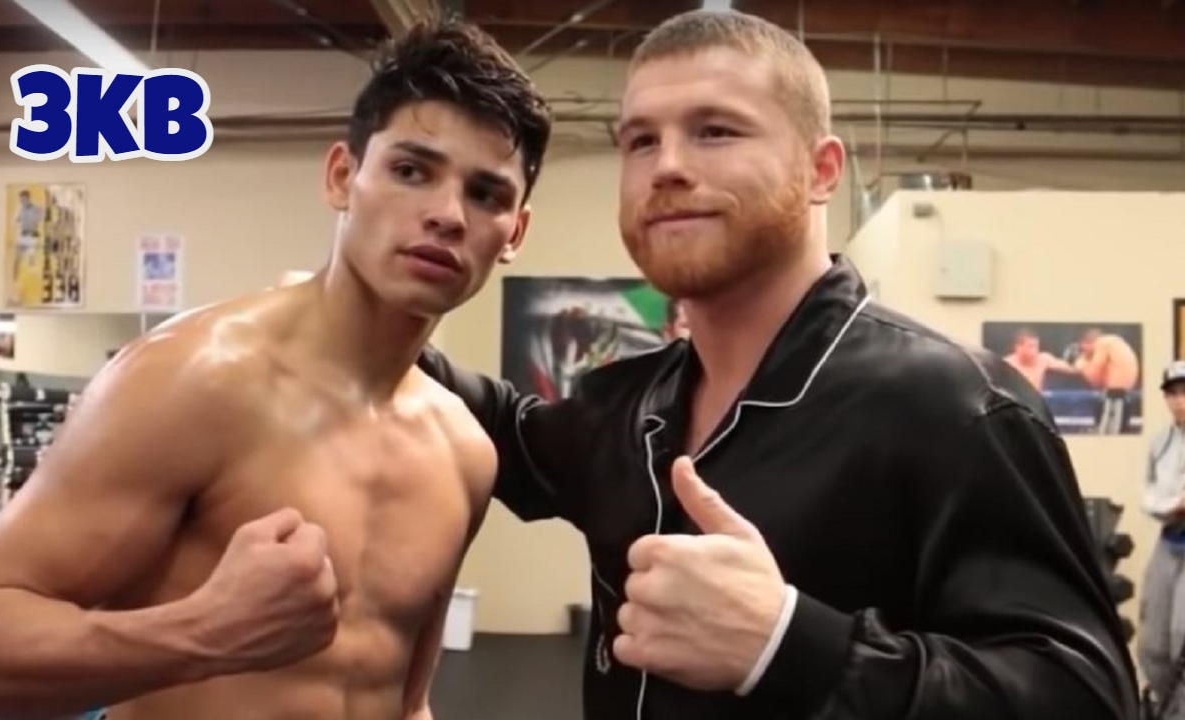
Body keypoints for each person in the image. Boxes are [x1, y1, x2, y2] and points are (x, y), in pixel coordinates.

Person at [419, 9, 1138, 720]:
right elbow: (501, 424)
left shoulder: (954, 405)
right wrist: (363, 299)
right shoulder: (628, 406)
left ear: (821, 170)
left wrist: (788, 645)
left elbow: (1087, 697)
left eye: (714, 131)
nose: (666, 167)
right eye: (640, 141)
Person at [0, 18, 551, 720]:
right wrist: (205, 632)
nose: (447, 214)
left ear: (514, 233)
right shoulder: (192, 380)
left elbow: (406, 701)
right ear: (342, 177)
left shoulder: (465, 453)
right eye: (411, 171)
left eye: (486, 194)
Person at [1138, 361, 1185, 718]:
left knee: (1182, 635)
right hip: (1169, 543)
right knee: (1153, 645)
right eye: (1173, 394)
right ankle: (1164, 709)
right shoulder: (1161, 443)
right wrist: (1173, 505)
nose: (1180, 401)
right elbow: (1149, 498)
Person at [1068, 328, 1141, 434]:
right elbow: (1097, 383)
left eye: (1084, 349)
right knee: (1118, 434)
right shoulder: (1115, 344)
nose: (1086, 353)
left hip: (1115, 398)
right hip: (1122, 397)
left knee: (1107, 435)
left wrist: (1080, 363)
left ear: (1086, 343)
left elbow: (1092, 373)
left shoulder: (1102, 343)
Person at [1003, 326, 1077, 390]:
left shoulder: (1043, 359)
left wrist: (1081, 363)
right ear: (1018, 347)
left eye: (1036, 346)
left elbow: (1071, 368)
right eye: (1031, 346)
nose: (1034, 350)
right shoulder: (1007, 363)